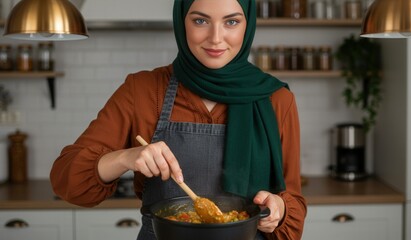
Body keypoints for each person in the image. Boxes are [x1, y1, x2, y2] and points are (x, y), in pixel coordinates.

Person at [50, 0, 307, 239]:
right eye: (200, 21)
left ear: (248, 25)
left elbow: (292, 204)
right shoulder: (142, 90)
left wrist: (280, 209)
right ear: (181, 22)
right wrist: (125, 157)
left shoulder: (277, 100)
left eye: (231, 22)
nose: (216, 38)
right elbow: (67, 181)